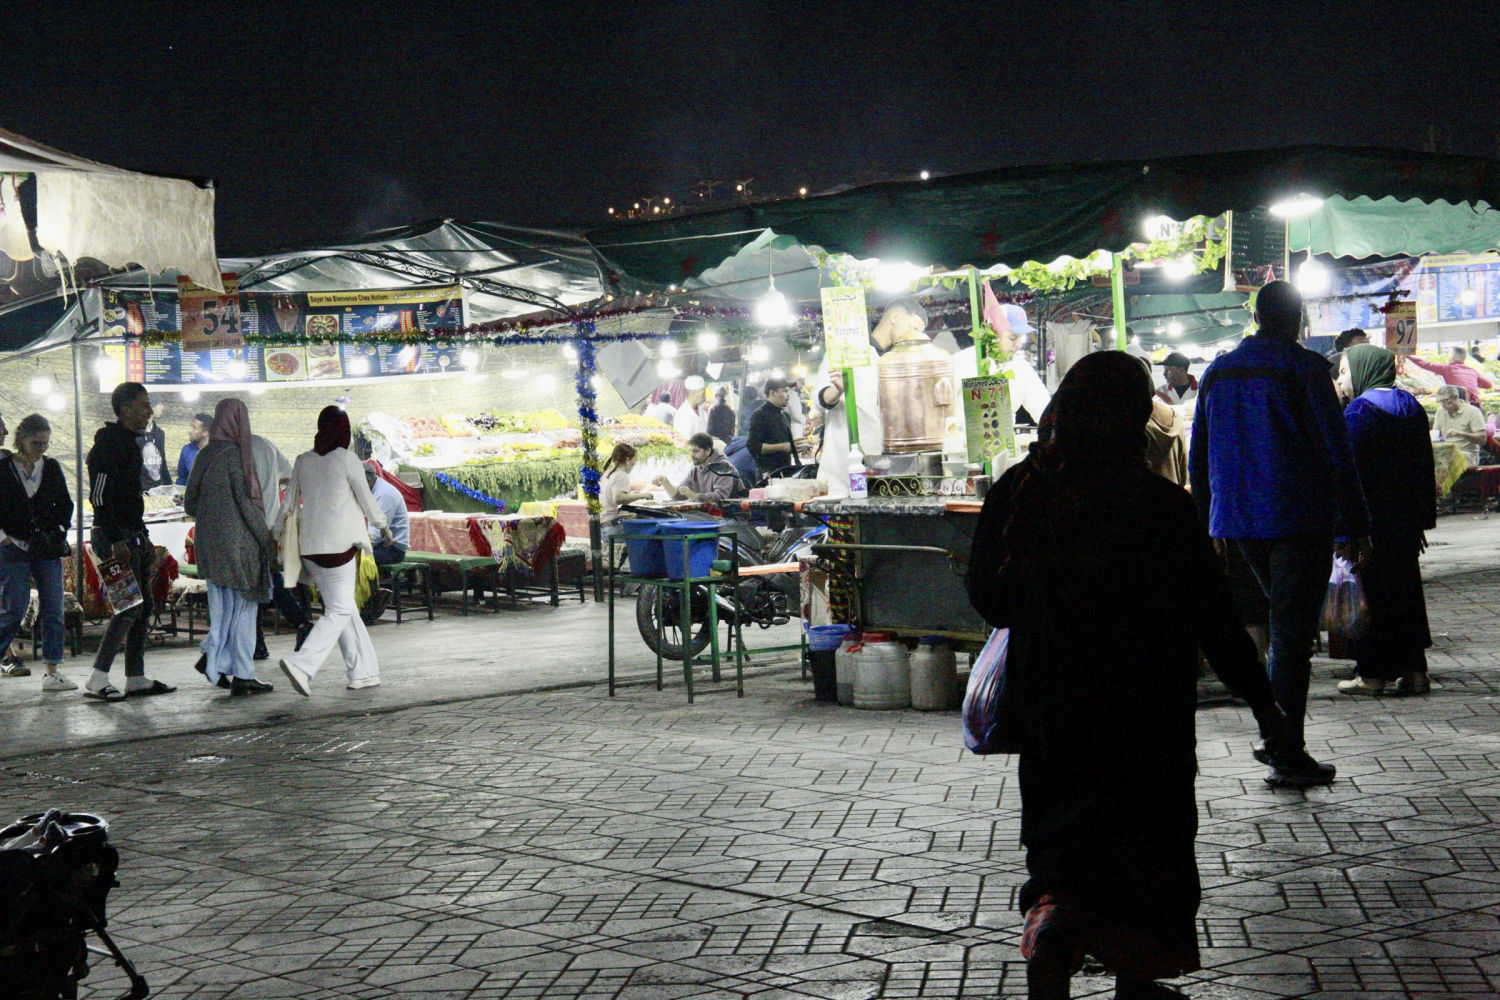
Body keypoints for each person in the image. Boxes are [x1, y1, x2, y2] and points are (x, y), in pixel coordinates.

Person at [967, 352, 1285, 1000]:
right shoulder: (1159, 505)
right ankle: (1136, 982)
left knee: (1063, 845)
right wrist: (1265, 705)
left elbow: (989, 599)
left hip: (1053, 706)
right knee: (1148, 848)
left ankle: (1052, 935)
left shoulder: (1020, 490)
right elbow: (1215, 619)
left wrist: (1045, 607)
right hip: (1147, 711)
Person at [1189, 280, 1370, 788]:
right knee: (1290, 635)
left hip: (1238, 521)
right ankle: (1284, 749)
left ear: (1256, 317)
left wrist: (1207, 521)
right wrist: (1356, 523)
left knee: (1282, 625)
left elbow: (1199, 455)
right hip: (1295, 517)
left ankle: (1278, 739)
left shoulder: (1219, 371)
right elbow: (1337, 454)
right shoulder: (1306, 369)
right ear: (1298, 318)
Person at [1335, 345, 1437, 697]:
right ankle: (1415, 672)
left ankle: (1372, 675)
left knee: (1373, 597)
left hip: (1372, 525)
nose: (1340, 381)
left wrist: (1348, 530)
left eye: (1344, 372)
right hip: (1405, 523)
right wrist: (1421, 520)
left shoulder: (1359, 412)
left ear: (1363, 371)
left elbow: (1350, 477)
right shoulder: (1411, 406)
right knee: (1406, 594)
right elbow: (1425, 468)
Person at [276, 406, 392, 696]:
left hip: (309, 549)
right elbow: (366, 498)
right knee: (339, 610)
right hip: (339, 547)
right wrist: (383, 526)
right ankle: (302, 664)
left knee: (344, 608)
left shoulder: (303, 460)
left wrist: (275, 535)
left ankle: (363, 673)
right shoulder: (346, 458)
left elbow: (288, 504)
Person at [85, 382, 176, 701]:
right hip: (110, 537)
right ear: (124, 409)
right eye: (143, 405)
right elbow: (99, 496)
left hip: (132, 535)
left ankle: (135, 677)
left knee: (145, 605)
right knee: (129, 606)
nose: (149, 411)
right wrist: (115, 539)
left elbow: (130, 499)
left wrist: (143, 535)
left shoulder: (130, 443)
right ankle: (97, 677)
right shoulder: (107, 445)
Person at [182, 399, 275, 696]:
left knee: (223, 610)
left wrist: (214, 514)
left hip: (209, 546)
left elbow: (189, 503)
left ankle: (218, 660)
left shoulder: (205, 454)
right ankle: (239, 672)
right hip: (239, 548)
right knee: (244, 610)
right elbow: (248, 507)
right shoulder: (236, 456)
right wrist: (267, 541)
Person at [0, 414, 75, 691]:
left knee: (54, 607)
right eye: (36, 443)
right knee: (15, 608)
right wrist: (3, 538)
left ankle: (52, 670)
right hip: (13, 546)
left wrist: (59, 529)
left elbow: (65, 503)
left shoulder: (51, 467)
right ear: (22, 439)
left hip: (46, 548)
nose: (41, 448)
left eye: (45, 443)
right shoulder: (4, 468)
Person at [251, 433, 312, 654]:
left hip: (250, 525)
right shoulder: (266, 444)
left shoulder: (233, 448)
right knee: (268, 579)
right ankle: (298, 623)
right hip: (270, 522)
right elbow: (289, 476)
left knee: (259, 583)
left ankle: (298, 624)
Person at [653, 432, 745, 501]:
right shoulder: (695, 470)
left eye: (695, 451)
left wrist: (695, 496)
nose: (691, 455)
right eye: (690, 451)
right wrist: (665, 482)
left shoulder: (724, 468)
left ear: (708, 451)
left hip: (729, 516)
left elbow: (721, 497)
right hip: (709, 515)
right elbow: (679, 496)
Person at [746, 377, 801, 476]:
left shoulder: (785, 416)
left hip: (785, 471)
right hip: (768, 473)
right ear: (772, 393)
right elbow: (752, 445)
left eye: (788, 391)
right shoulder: (760, 415)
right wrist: (782, 447)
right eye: (785, 391)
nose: (788, 395)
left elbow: (788, 445)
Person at [1404, 346, 1492, 404]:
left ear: (1452, 357)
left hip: (1458, 405)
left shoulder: (1447, 368)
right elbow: (1488, 385)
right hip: (1475, 404)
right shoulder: (1472, 371)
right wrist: (1474, 384)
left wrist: (1408, 355)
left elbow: (1425, 364)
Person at [364, 464, 410, 565]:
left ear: (368, 480)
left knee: (351, 560)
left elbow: (377, 534)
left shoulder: (384, 494)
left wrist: (359, 549)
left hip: (392, 549)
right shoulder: (373, 489)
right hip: (381, 544)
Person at [1433, 383, 1486, 466]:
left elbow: (1482, 439)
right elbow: (1435, 434)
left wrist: (1461, 434)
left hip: (1467, 454)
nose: (1443, 405)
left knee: (1447, 461)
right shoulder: (1440, 411)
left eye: (1446, 401)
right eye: (1440, 402)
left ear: (1455, 397)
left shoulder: (1473, 411)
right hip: (1446, 451)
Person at [600, 442, 652, 528]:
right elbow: (619, 498)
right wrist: (642, 495)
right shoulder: (621, 475)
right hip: (611, 524)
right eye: (634, 460)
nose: (634, 463)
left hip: (603, 522)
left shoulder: (607, 473)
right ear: (627, 460)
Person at [175, 412, 214, 485]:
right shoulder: (186, 450)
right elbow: (182, 478)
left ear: (205, 433)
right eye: (191, 427)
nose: (190, 431)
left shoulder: (217, 452)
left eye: (194, 428)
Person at [138, 404, 170, 489]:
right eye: (159, 404)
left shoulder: (159, 434)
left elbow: (162, 463)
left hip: (158, 489)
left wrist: (169, 486)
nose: (163, 407)